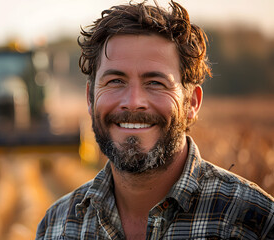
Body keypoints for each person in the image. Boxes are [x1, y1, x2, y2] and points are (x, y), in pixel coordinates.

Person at [36, 1, 274, 239]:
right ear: (90, 98)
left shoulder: (255, 223)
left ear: (191, 103)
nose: (133, 101)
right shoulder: (57, 226)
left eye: (155, 83)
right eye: (115, 81)